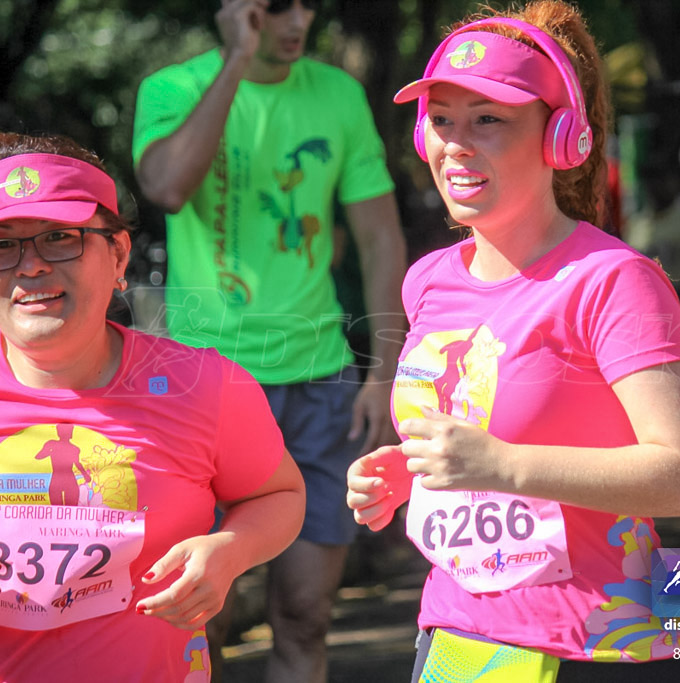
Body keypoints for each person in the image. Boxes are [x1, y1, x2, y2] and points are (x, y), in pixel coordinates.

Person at [347, 2, 680, 680]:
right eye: (441, 120)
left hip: (600, 647)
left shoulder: (615, 280)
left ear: (562, 138)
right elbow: (481, 429)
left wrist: (502, 464)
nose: (457, 143)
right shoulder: (427, 281)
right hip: (459, 642)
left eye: (488, 119)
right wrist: (409, 470)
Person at [131, 0, 406, 679]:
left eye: (308, 4)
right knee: (199, 615)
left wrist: (385, 372)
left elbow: (378, 238)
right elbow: (165, 185)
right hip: (205, 386)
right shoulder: (171, 89)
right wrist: (234, 61)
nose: (297, 19)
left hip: (320, 384)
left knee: (305, 611)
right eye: (276, 5)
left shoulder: (337, 93)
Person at [0, 132, 305, 681]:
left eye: (60, 237)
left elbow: (279, 494)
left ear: (119, 256)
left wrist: (230, 551)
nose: (30, 267)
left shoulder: (204, 384)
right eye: (0, 245)